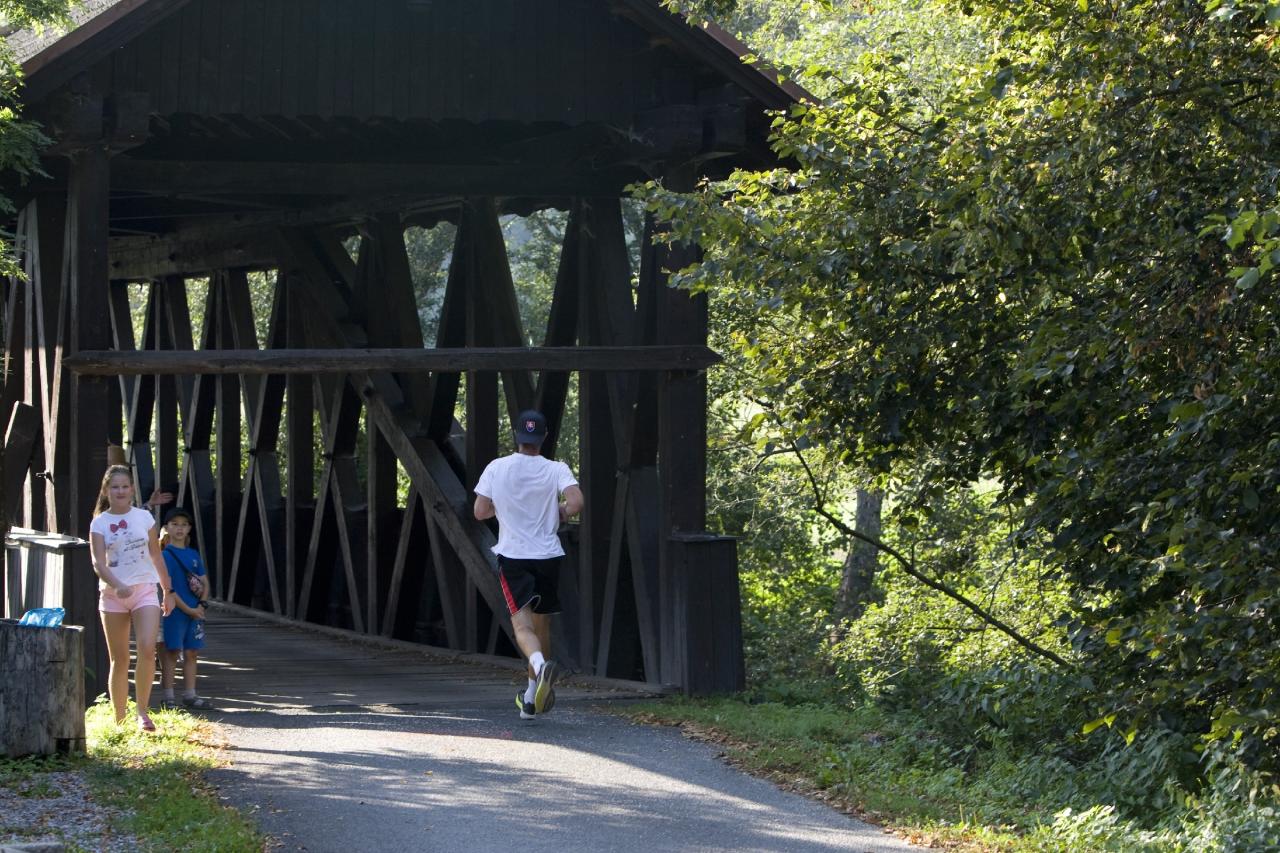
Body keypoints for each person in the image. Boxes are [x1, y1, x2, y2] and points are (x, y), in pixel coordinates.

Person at [473, 410, 583, 720]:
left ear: (516, 436)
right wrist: (561, 511)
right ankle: (532, 700)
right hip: (548, 557)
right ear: (544, 436)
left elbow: (480, 511)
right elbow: (576, 502)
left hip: (514, 558)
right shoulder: (556, 469)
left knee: (522, 627)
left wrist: (501, 509)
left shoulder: (497, 468)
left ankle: (539, 666)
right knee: (541, 626)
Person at [88, 465, 174, 731]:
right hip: (113, 595)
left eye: (125, 486)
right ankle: (119, 719)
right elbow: (97, 562)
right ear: (107, 490)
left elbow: (156, 555)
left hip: (144, 590)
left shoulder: (144, 517)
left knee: (147, 648)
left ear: (132, 489)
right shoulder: (99, 522)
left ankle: (142, 713)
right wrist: (117, 585)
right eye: (115, 487)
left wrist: (168, 591)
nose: (120, 491)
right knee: (120, 658)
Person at [158, 507, 212, 710]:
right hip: (175, 611)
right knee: (172, 651)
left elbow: (205, 582)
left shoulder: (193, 554)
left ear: (189, 528)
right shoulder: (164, 556)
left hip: (195, 610)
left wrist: (201, 604)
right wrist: (190, 610)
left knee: (192, 652)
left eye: (184, 525)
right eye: (174, 524)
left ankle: (190, 694)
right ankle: (168, 697)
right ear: (166, 528)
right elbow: (169, 588)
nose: (179, 529)